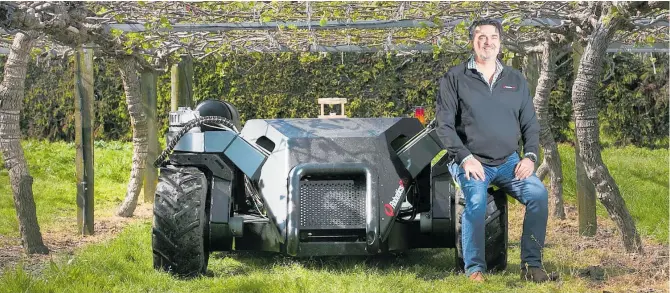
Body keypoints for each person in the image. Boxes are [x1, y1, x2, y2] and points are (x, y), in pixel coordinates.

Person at [434, 18, 550, 283]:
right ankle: (474, 268)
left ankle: (531, 265)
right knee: (475, 203)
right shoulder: (455, 78)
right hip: (471, 161)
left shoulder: (515, 79)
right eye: (481, 37)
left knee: (538, 194)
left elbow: (530, 123)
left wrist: (530, 156)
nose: (488, 42)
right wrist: (464, 158)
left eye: (493, 37)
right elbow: (444, 127)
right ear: (472, 41)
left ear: (500, 42)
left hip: (509, 162)